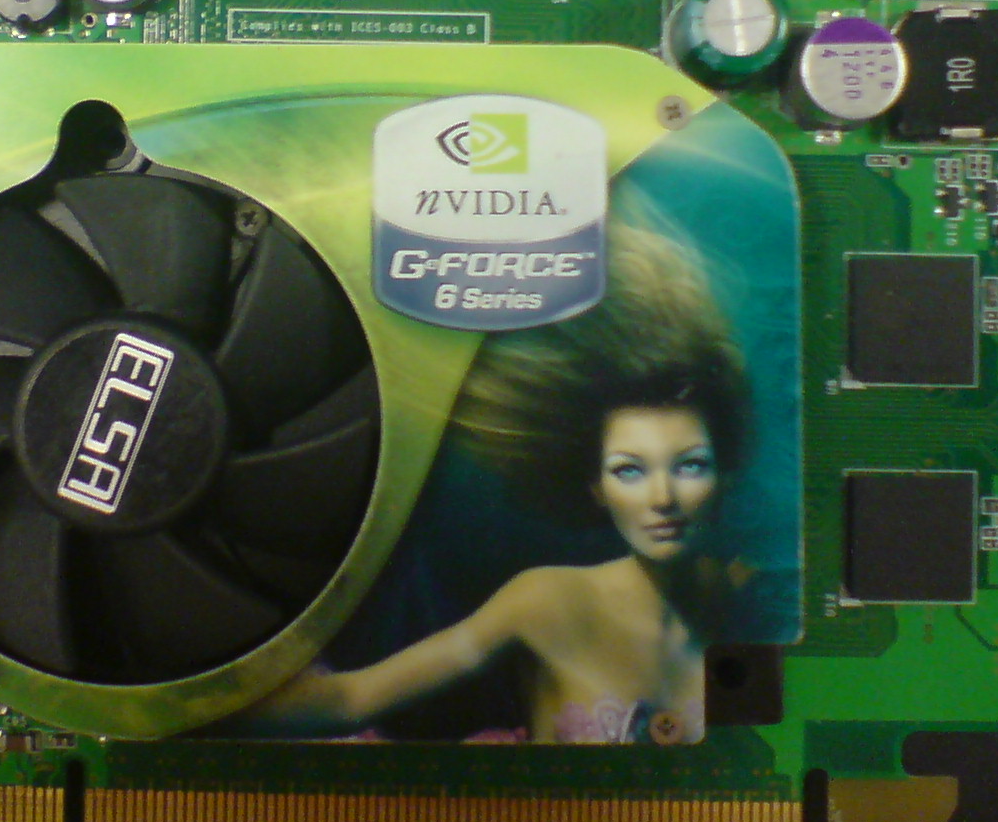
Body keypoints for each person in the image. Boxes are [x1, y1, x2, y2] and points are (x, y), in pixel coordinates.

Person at [248, 206, 751, 744]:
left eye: (690, 465)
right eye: (629, 470)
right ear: (596, 489)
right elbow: (351, 699)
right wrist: (202, 697)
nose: (663, 497)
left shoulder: (745, 594)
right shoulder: (549, 600)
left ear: (723, 474)